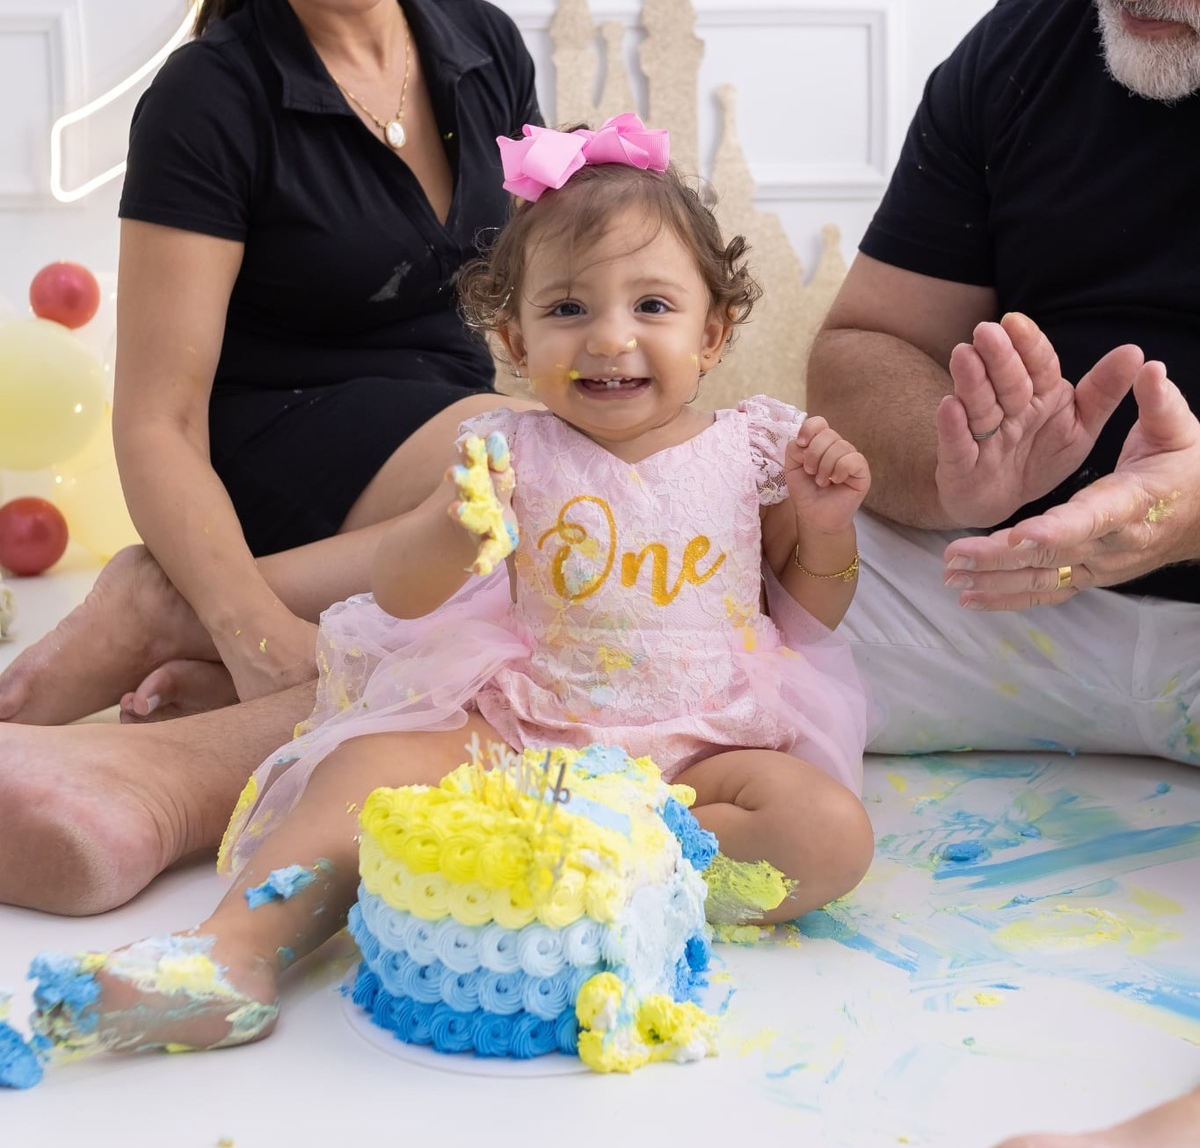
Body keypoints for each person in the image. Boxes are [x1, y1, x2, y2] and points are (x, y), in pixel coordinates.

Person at [2, 121, 873, 1074]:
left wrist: (827, 526)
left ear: (711, 333)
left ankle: (617, 878)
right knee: (362, 767)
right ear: (514, 338)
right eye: (569, 309)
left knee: (829, 834)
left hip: (700, 754)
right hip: (524, 732)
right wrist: (453, 533)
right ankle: (231, 957)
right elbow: (406, 595)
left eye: (652, 305)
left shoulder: (752, 447)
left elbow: (806, 613)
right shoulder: (510, 449)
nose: (611, 338)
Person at [806, 0, 1200, 1148]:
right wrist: (950, 476)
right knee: (665, 520)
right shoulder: (1031, 42)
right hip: (999, 595)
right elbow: (858, 352)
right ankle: (189, 774)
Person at [0, 0, 540, 730]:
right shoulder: (210, 99)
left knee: (578, 503)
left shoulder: (485, 49)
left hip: (441, 439)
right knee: (532, 471)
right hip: (272, 448)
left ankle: (175, 623)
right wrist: (251, 624)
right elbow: (157, 419)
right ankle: (203, 605)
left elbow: (537, 291)